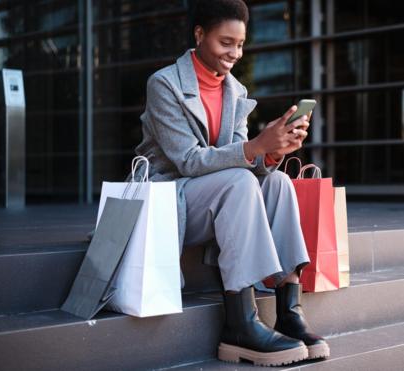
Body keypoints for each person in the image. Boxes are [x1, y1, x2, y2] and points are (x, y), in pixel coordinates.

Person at [133, 0, 329, 367]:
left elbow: (240, 161)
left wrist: (271, 153)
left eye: (240, 44)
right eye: (226, 43)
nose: (235, 53)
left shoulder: (235, 90)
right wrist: (255, 146)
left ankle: (289, 310)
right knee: (239, 182)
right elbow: (188, 160)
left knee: (279, 184)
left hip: (221, 197)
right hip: (172, 201)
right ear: (199, 34)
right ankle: (239, 323)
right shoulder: (164, 84)